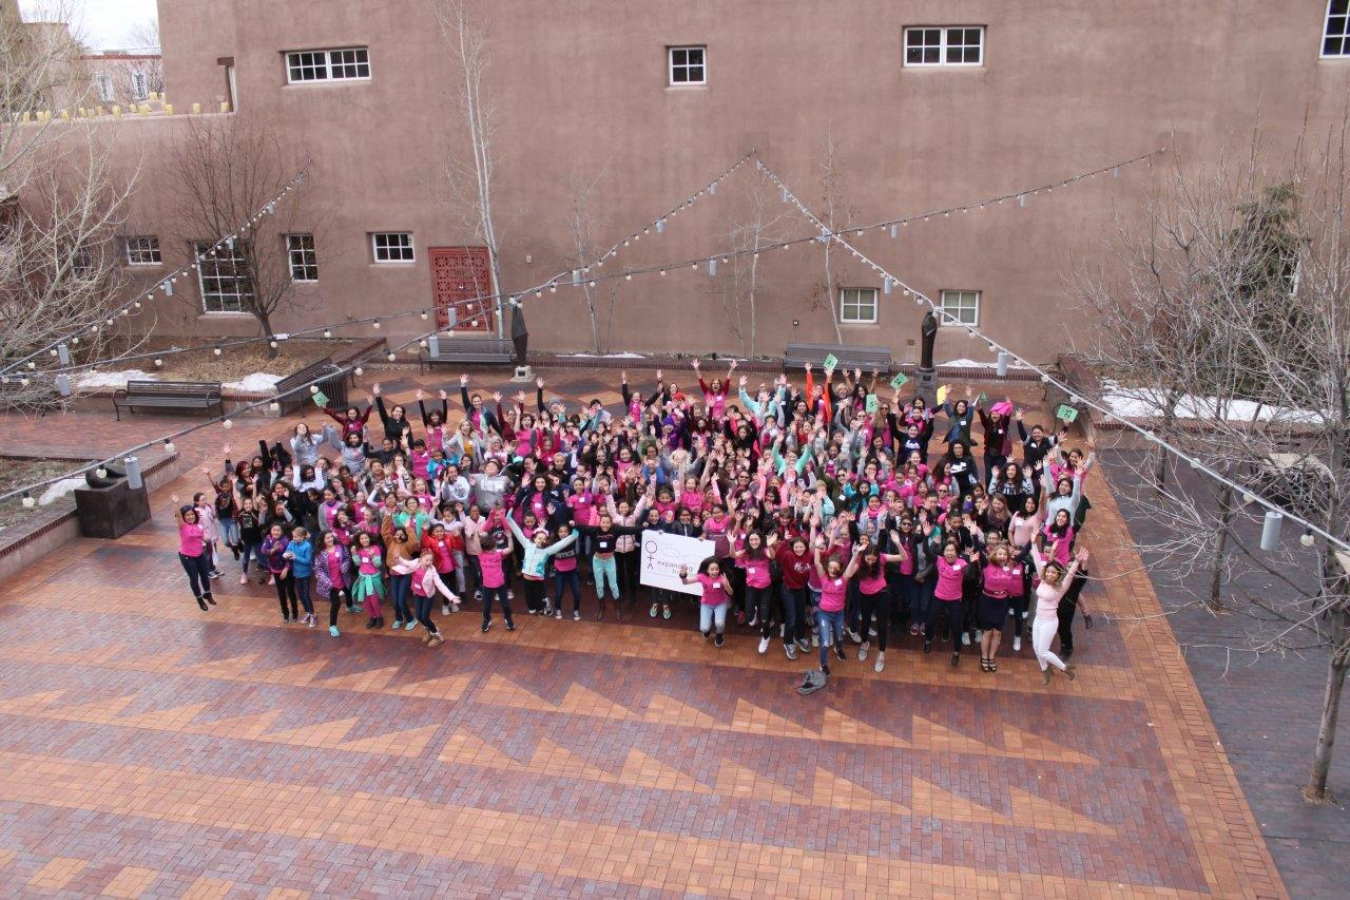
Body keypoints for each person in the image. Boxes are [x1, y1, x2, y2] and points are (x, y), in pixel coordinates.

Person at [1029, 544, 1088, 684]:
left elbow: (1069, 576)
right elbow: (1037, 560)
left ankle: (1065, 668)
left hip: (1049, 622)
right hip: (1038, 619)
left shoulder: (1060, 587)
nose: (1049, 574)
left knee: (1043, 651)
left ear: (1057, 575)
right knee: (1036, 648)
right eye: (1048, 571)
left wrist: (1077, 561)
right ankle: (1046, 670)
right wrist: (1033, 543)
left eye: (1053, 573)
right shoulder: (1042, 580)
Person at [392, 550, 460, 647]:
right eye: (426, 560)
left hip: (428, 596)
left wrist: (452, 597)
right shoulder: (416, 563)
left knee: (425, 616)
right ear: (421, 559)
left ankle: (438, 636)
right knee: (418, 616)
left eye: (431, 560)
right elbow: (406, 563)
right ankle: (430, 632)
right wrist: (398, 558)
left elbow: (441, 585)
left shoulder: (432, 571)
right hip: (418, 593)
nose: (429, 562)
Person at [171, 495, 216, 611]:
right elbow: (178, 516)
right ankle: (199, 598)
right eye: (187, 515)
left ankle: (208, 594)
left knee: (205, 576)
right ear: (184, 517)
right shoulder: (183, 526)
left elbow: (204, 537)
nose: (190, 517)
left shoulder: (199, 526)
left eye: (191, 514)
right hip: (187, 557)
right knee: (194, 578)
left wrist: (207, 539)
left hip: (200, 554)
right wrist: (176, 503)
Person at [678, 559, 732, 648]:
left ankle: (719, 635)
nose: (714, 571)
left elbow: (730, 593)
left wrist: (726, 584)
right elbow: (685, 582)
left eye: (716, 569)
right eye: (712, 569)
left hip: (720, 604)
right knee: (704, 628)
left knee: (720, 623)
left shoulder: (722, 578)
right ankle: (707, 628)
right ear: (707, 570)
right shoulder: (702, 577)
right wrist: (683, 574)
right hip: (706, 604)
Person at [314, 531, 350, 637]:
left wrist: (345, 565)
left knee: (348, 592)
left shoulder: (340, 547)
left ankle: (350, 606)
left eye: (331, 537)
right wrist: (327, 581)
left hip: (343, 579)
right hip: (331, 583)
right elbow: (318, 570)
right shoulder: (320, 554)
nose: (330, 539)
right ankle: (332, 626)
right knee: (336, 604)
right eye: (327, 538)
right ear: (322, 540)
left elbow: (347, 557)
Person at [285, 526, 316, 628]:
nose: (294, 539)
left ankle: (312, 615)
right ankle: (307, 611)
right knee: (300, 594)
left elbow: (307, 561)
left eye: (296, 537)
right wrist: (286, 554)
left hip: (305, 574)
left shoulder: (307, 546)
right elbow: (288, 550)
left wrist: (295, 557)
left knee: (306, 594)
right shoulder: (292, 543)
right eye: (293, 536)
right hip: (296, 574)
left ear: (303, 537)